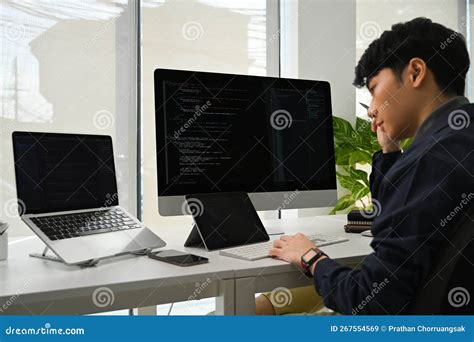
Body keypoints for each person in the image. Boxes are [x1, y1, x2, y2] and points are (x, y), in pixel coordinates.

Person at [257, 17, 473, 315]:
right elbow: (403, 227)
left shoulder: (429, 161)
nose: (371, 109)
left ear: (415, 72)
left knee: (234, 318)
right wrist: (389, 152)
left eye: (374, 89)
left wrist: (309, 257)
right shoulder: (456, 142)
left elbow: (368, 300)